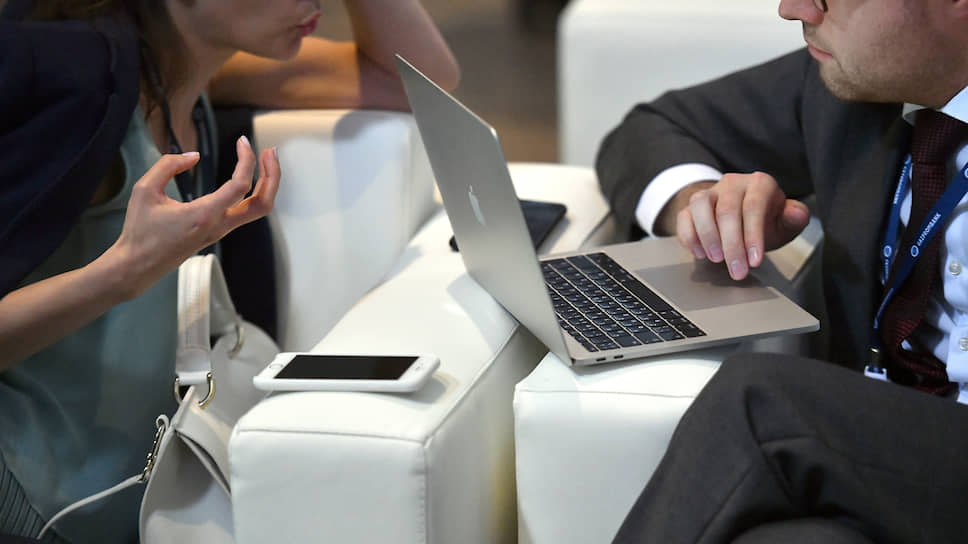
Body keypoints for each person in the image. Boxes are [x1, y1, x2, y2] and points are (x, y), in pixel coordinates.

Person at [0, 0, 458, 542]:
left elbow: (419, 81)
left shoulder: (194, 69)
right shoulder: (74, 79)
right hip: (27, 500)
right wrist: (125, 271)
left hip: (130, 499)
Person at [596, 0, 968, 542]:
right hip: (890, 468)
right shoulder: (863, 78)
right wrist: (706, 206)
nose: (792, 8)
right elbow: (650, 130)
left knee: (761, 405)